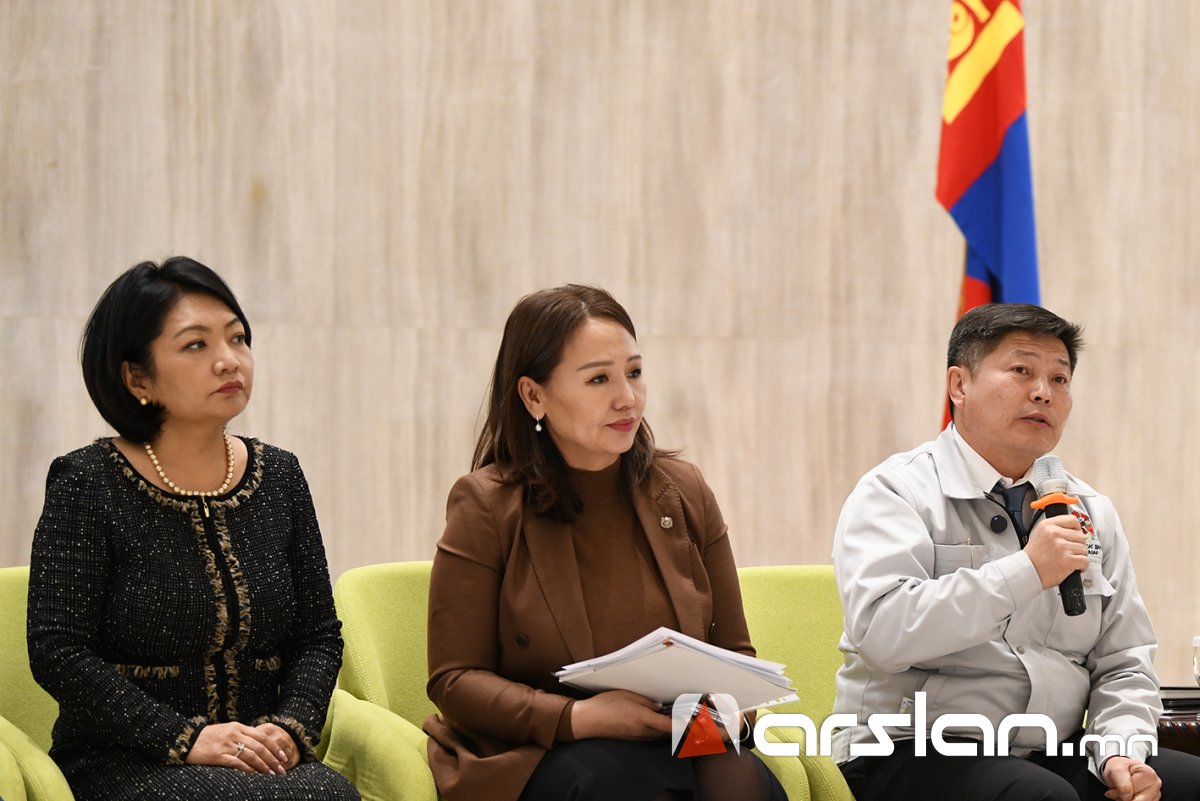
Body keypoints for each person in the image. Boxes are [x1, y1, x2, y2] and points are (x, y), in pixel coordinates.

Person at [423, 285, 786, 801]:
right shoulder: (486, 504)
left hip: (676, 736)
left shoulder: (684, 490)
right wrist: (579, 717)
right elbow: (454, 680)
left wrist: (723, 712)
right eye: (599, 379)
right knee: (617, 781)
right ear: (534, 396)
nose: (627, 398)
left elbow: (735, 654)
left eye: (634, 373)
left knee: (736, 776)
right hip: (543, 748)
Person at [831, 303, 1200, 801]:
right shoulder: (897, 492)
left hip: (1047, 748)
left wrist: (1119, 750)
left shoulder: (1088, 510)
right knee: (1038, 796)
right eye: (1022, 370)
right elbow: (884, 632)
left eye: (1060, 379)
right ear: (959, 385)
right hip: (908, 747)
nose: (1043, 392)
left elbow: (1124, 662)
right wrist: (1027, 570)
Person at [26, 258, 359, 801]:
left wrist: (290, 728)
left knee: (333, 795)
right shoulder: (88, 482)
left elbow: (317, 634)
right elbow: (57, 650)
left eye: (238, 338)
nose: (229, 360)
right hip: (125, 757)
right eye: (196, 345)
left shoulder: (279, 475)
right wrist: (186, 738)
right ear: (137, 377)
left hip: (258, 756)